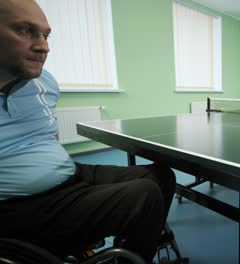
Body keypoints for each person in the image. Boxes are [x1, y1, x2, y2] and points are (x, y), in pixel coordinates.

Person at [0, 1, 180, 263]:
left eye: (46, 35)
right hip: (21, 206)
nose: (43, 46)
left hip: (69, 175)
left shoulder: (45, 82)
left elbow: (48, 135)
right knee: (145, 194)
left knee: (161, 175)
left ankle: (129, 251)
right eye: (25, 30)